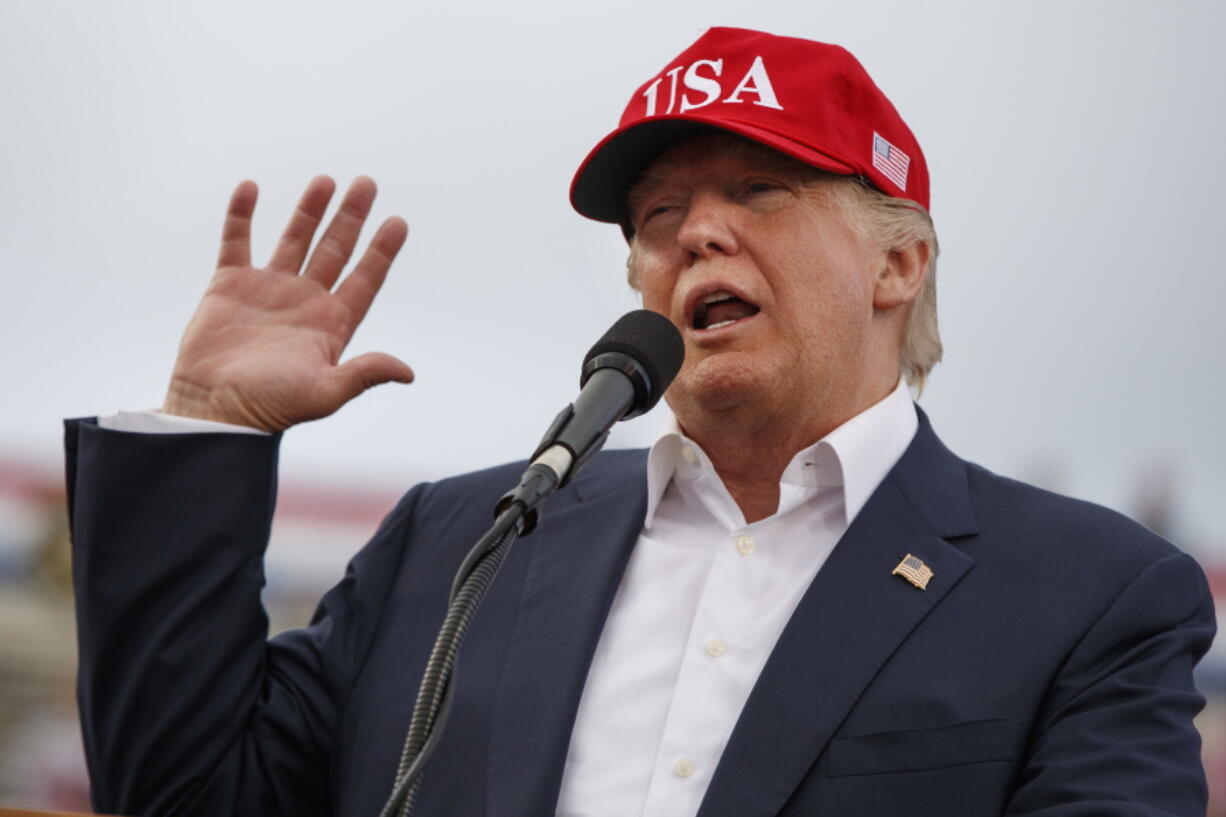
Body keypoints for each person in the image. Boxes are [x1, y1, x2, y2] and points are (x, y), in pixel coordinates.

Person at [66, 26, 1214, 817]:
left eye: (758, 192)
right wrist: (208, 425)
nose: (694, 235)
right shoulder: (460, 543)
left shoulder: (1087, 595)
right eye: (660, 214)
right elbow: (181, 795)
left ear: (897, 262)